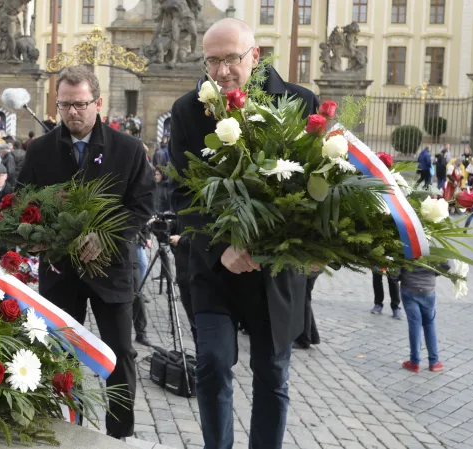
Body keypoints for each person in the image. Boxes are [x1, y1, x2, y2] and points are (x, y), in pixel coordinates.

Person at [168, 19, 319, 449]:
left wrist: (280, 245)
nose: (220, 71)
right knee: (213, 363)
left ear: (255, 55)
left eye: (231, 59)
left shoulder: (299, 101)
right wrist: (224, 248)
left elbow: (312, 190)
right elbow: (183, 195)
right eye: (211, 60)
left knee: (272, 373)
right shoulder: (187, 110)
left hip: (274, 272)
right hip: (214, 267)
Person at [17, 65, 154, 441]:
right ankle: (63, 428)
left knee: (120, 355)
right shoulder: (41, 150)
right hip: (60, 273)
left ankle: (119, 435)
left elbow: (142, 205)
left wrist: (106, 235)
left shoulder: (127, 149)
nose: (72, 113)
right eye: (64, 105)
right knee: (59, 354)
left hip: (110, 271)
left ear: (98, 103)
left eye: (79, 104)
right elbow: (20, 202)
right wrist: (33, 234)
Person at [400, 263, 447, 373]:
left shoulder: (404, 246)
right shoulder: (431, 245)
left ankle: (414, 362)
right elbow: (446, 264)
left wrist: (399, 276)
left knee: (414, 324)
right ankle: (434, 362)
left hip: (409, 287)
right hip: (428, 288)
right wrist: (433, 273)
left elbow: (395, 269)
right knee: (429, 323)